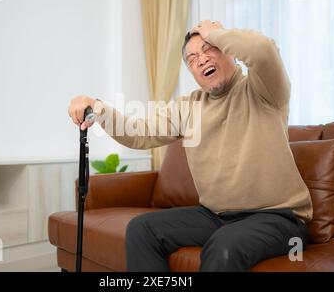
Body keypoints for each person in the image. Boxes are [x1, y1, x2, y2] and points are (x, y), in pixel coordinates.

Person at [68, 20, 312, 272]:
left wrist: (216, 32)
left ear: (229, 50)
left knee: (224, 246)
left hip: (277, 218)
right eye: (193, 58)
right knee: (143, 229)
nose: (202, 59)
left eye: (210, 48)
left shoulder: (263, 89)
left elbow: (263, 49)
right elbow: (138, 133)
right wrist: (95, 105)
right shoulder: (188, 107)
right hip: (217, 216)